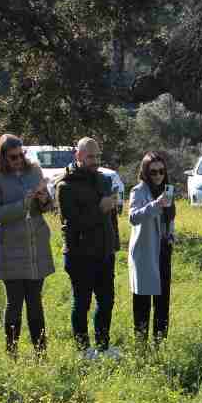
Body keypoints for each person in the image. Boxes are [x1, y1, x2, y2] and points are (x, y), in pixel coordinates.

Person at [0, 134, 55, 357]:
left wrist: (44, 199)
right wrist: (22, 203)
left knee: (35, 301)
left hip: (36, 244)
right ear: (2, 156)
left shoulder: (34, 170)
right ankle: (12, 352)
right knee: (14, 302)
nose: (18, 160)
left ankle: (41, 353)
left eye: (21, 155)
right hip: (9, 247)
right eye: (13, 157)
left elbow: (47, 206)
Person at [57, 136, 120, 359]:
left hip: (104, 252)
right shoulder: (65, 186)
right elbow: (72, 223)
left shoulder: (102, 180)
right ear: (78, 156)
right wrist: (100, 209)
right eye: (90, 156)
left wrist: (114, 244)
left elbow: (110, 216)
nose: (95, 161)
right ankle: (83, 350)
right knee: (82, 303)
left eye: (97, 156)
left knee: (106, 301)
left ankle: (103, 346)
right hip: (80, 255)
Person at [128, 151, 176, 344]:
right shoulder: (138, 191)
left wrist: (171, 233)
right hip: (145, 253)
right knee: (142, 302)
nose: (157, 176)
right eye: (153, 172)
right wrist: (156, 204)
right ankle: (140, 344)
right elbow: (133, 217)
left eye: (161, 171)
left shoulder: (168, 190)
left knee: (163, 301)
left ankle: (160, 343)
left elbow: (169, 218)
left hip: (163, 251)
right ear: (146, 172)